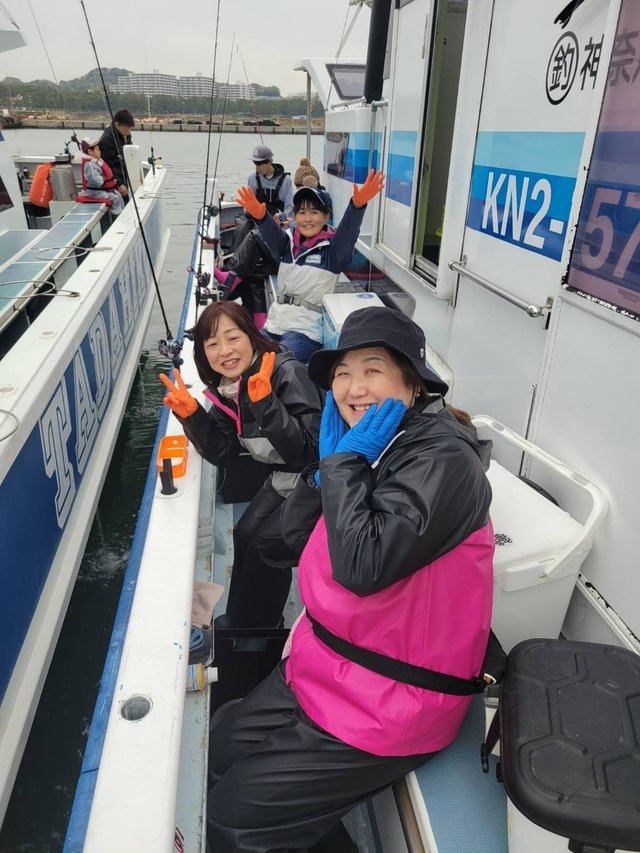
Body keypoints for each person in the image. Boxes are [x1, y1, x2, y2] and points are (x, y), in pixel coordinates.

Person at [206, 305, 495, 852]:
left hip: (392, 697)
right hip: (326, 664)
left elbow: (364, 568)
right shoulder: (370, 446)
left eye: (372, 370)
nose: (353, 387)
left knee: (229, 821)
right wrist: (326, 468)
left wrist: (342, 465)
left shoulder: (443, 461)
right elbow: (286, 543)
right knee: (216, 751)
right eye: (342, 374)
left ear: (412, 383)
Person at [159, 301, 323, 629]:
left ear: (251, 336)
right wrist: (192, 417)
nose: (225, 351)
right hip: (285, 476)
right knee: (245, 533)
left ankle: (260, 629)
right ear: (203, 354)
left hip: (320, 477)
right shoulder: (227, 390)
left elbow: (309, 449)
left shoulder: (287, 373)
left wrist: (266, 404)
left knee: (267, 546)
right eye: (212, 344)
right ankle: (241, 621)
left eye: (233, 338)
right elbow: (225, 454)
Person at [228, 170, 384, 364]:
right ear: (295, 217)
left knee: (279, 363)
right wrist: (260, 216)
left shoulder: (333, 252)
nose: (307, 219)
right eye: (302, 212)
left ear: (326, 217)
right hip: (273, 325)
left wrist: (357, 206)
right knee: (245, 354)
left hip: (304, 333)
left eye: (314, 212)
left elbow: (348, 232)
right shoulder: (287, 245)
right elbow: (270, 234)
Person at [213, 145, 295, 327]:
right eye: (255, 163)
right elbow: (247, 206)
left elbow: (290, 207)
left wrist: (280, 217)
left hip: (274, 222)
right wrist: (251, 211)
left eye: (260, 163)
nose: (257, 167)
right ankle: (258, 316)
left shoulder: (286, 181)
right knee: (243, 229)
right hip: (254, 217)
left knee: (254, 238)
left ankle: (230, 275)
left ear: (270, 162)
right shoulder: (253, 178)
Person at [76, 137, 124, 214]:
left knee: (117, 194)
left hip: (101, 190)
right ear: (90, 151)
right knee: (115, 198)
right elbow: (95, 181)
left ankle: (122, 212)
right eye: (97, 149)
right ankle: (117, 215)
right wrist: (104, 178)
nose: (100, 151)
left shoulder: (96, 162)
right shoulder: (90, 165)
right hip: (94, 193)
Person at [98, 108, 135, 201]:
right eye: (127, 127)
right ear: (117, 124)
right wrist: (118, 184)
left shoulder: (124, 134)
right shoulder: (107, 141)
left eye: (130, 127)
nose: (129, 130)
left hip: (124, 175)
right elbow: (108, 165)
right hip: (115, 183)